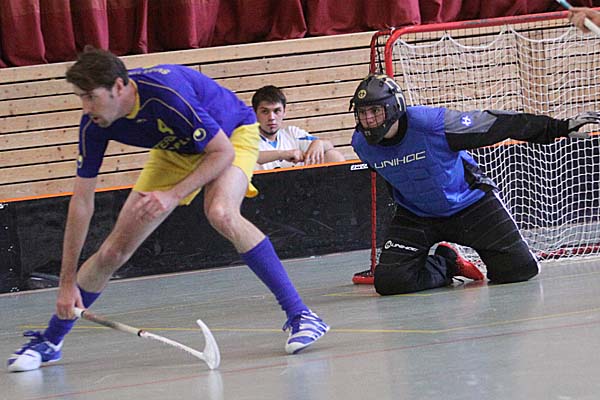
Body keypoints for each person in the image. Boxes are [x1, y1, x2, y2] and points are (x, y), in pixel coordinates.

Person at [7, 47, 329, 372]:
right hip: (174, 150)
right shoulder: (94, 123)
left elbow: (222, 153)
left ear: (119, 86)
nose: (86, 107)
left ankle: (301, 314)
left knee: (220, 211)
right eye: (81, 98)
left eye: (91, 97)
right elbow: (81, 203)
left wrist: (173, 195)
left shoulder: (165, 94)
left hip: (230, 135)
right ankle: (50, 341)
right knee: (113, 251)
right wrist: (66, 284)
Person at [349, 74, 599, 296]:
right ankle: (447, 263)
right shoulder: (361, 144)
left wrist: (556, 128)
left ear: (394, 108)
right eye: (362, 113)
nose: (368, 119)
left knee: (519, 269)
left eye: (375, 111)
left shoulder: (433, 124)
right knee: (390, 282)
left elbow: (497, 123)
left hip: (470, 204)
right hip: (416, 215)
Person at [251, 85, 345, 170]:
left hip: (300, 183)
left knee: (333, 156)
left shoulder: (292, 133)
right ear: (255, 113)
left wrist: (320, 143)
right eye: (265, 111)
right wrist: (282, 154)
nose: (271, 117)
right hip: (262, 184)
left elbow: (329, 145)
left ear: (284, 112)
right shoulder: (247, 138)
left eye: (277, 111)